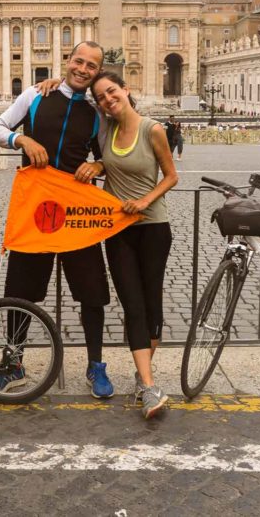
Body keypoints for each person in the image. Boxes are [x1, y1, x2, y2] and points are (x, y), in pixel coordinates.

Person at [0, 41, 114, 398]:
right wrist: (20, 139)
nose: (83, 69)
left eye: (92, 65)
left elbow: (108, 156)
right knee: (20, 291)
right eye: (79, 61)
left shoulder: (96, 112)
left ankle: (95, 364)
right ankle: (13, 363)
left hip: (77, 212)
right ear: (68, 60)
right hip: (37, 211)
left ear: (96, 72)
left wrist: (99, 164)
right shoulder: (35, 95)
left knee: (93, 292)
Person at [88, 70, 178, 419]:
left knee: (151, 302)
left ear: (126, 90)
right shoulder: (107, 131)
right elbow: (78, 101)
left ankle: (143, 380)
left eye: (112, 92)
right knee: (132, 303)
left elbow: (171, 176)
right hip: (119, 230)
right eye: (102, 98)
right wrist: (96, 163)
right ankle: (150, 385)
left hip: (154, 227)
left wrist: (143, 201)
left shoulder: (152, 129)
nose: (108, 99)